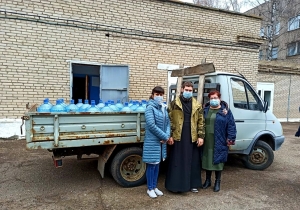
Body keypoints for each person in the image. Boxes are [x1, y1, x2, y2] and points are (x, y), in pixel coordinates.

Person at [165, 81, 205, 193]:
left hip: (192, 137)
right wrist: (170, 135)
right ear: (182, 89)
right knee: (177, 161)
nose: (188, 92)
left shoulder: (197, 105)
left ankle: (193, 185)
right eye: (186, 90)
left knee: (193, 161)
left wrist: (201, 136)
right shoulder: (174, 104)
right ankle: (175, 186)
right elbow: (169, 120)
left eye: (190, 90)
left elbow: (201, 122)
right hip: (178, 136)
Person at [202, 90, 236, 192]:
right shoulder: (205, 110)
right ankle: (208, 180)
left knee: (218, 161)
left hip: (220, 139)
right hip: (207, 140)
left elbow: (231, 126)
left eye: (215, 98)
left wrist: (230, 139)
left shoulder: (225, 111)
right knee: (207, 160)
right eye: (211, 98)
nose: (213, 100)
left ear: (219, 99)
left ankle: (217, 182)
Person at [142, 86, 170, 198]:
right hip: (152, 141)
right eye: (157, 94)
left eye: (161, 94)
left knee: (157, 164)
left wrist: (167, 135)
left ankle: (154, 186)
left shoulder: (163, 107)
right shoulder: (150, 107)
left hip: (161, 141)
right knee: (152, 165)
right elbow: (151, 125)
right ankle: (150, 188)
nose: (159, 96)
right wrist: (164, 136)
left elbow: (168, 123)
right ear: (152, 95)